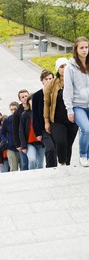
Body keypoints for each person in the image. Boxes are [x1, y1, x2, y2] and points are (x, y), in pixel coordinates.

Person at [44, 57, 78, 166]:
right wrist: (46, 121)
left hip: (72, 119)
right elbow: (47, 103)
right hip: (57, 120)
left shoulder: (75, 81)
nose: (64, 68)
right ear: (57, 69)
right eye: (61, 67)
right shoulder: (52, 84)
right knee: (61, 142)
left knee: (68, 144)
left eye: (66, 66)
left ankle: (67, 164)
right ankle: (62, 162)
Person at [63, 37, 89, 167]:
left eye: (86, 47)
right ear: (76, 50)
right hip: (78, 105)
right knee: (86, 129)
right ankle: (83, 155)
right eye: (82, 48)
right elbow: (67, 89)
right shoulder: (70, 67)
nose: (84, 50)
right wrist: (69, 109)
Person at [32, 69, 57, 167]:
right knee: (50, 148)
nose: (48, 81)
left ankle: (55, 168)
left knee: (55, 149)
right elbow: (35, 115)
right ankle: (50, 168)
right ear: (42, 81)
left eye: (50, 78)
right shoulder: (37, 95)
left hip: (56, 125)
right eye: (46, 79)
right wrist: (37, 132)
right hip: (43, 128)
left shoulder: (56, 92)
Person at [20, 95, 45, 170]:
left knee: (40, 164)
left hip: (40, 142)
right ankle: (32, 175)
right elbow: (21, 131)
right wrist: (23, 146)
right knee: (32, 160)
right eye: (31, 100)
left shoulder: (41, 112)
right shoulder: (24, 115)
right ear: (28, 102)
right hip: (29, 143)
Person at [12, 89, 29, 170]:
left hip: (33, 138)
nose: (25, 98)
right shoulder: (17, 112)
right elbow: (15, 129)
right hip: (22, 141)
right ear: (20, 99)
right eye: (23, 97)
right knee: (25, 162)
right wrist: (18, 144)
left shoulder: (34, 107)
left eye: (26, 96)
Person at [0, 101, 20, 171]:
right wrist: (6, 141)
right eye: (11, 109)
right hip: (10, 147)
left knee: (24, 167)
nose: (13, 111)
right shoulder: (7, 120)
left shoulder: (21, 117)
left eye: (15, 109)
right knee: (13, 168)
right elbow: (2, 133)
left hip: (22, 145)